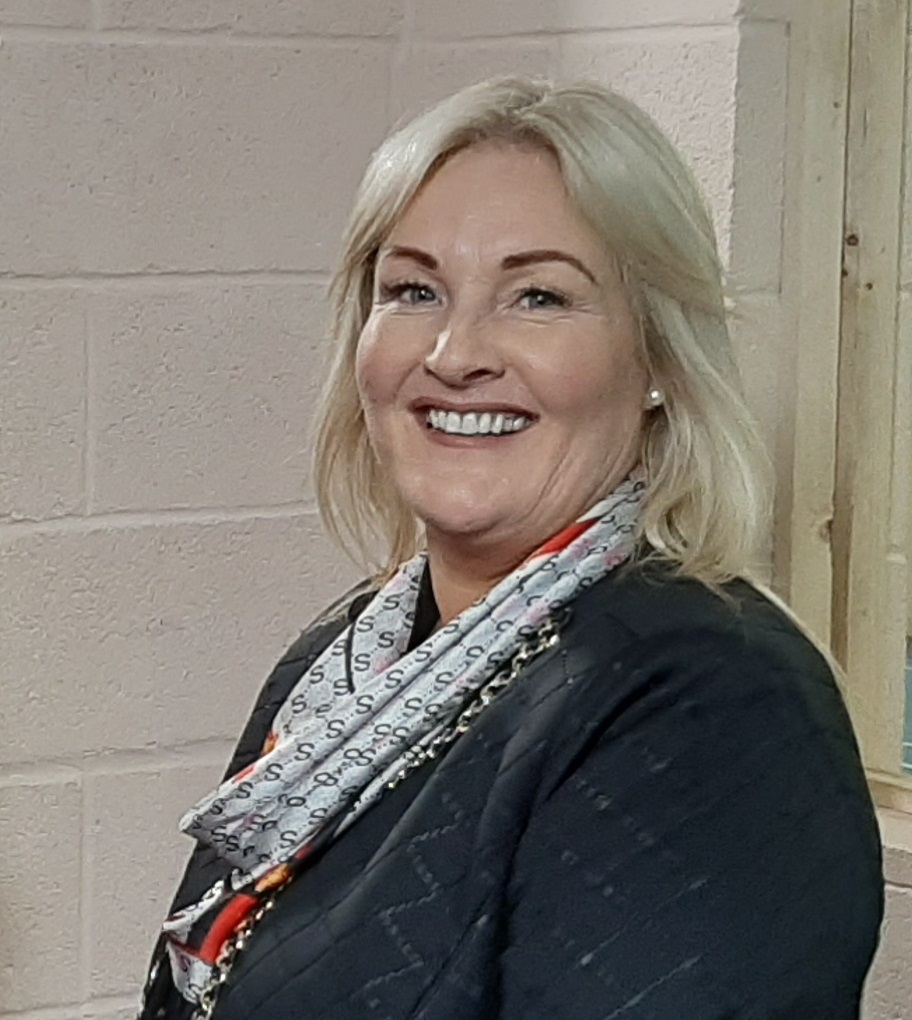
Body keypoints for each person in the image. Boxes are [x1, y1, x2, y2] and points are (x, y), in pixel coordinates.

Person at [138, 77, 883, 1020]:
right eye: (414, 290)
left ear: (659, 356)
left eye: (538, 297)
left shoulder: (710, 705)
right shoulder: (343, 659)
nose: (454, 353)